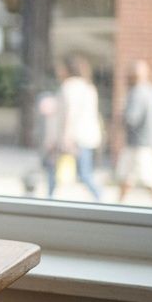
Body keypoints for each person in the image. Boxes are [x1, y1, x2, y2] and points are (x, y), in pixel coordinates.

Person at [50, 54, 103, 201]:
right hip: (89, 136)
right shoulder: (89, 87)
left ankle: (100, 197)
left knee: (64, 169)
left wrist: (65, 137)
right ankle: (100, 198)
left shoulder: (69, 86)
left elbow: (70, 113)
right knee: (82, 172)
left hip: (74, 136)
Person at [116, 59, 152, 205]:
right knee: (127, 176)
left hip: (139, 142)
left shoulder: (136, 93)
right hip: (147, 140)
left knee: (150, 179)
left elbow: (132, 118)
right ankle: (119, 205)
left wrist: (120, 117)